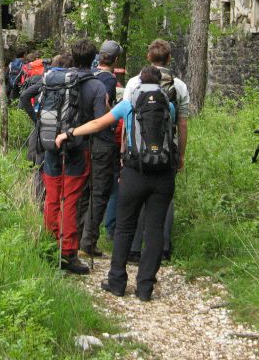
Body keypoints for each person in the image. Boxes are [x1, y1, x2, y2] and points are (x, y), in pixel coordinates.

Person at [57, 63, 186, 301]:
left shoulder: (129, 104)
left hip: (134, 173)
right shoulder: (169, 106)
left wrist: (70, 133)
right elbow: (176, 133)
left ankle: (117, 281)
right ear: (160, 83)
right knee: (154, 229)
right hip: (163, 175)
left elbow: (98, 124)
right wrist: (180, 159)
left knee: (125, 228)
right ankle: (145, 287)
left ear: (139, 83)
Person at [40, 40, 108, 275]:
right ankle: (68, 252)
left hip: (51, 146)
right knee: (70, 201)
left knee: (52, 198)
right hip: (78, 150)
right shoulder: (96, 87)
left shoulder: (57, 80)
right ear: (93, 59)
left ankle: (50, 246)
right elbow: (101, 124)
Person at [123, 39, 189, 263]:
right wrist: (180, 154)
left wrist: (124, 149)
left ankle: (133, 249)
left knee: (138, 197)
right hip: (166, 150)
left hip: (138, 151)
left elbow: (127, 120)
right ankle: (163, 248)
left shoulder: (134, 83)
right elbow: (182, 123)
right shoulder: (178, 86)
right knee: (164, 199)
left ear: (148, 57)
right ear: (169, 58)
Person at [80, 40, 122, 257]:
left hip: (83, 139)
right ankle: (88, 242)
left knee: (84, 190)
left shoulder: (89, 75)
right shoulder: (107, 79)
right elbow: (104, 109)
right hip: (101, 141)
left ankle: (79, 238)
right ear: (115, 60)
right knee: (99, 192)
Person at [19, 54, 66, 210]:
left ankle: (39, 202)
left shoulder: (44, 80)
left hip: (42, 126)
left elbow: (25, 96)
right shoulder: (69, 82)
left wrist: (35, 119)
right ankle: (55, 203)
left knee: (39, 165)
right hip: (61, 129)